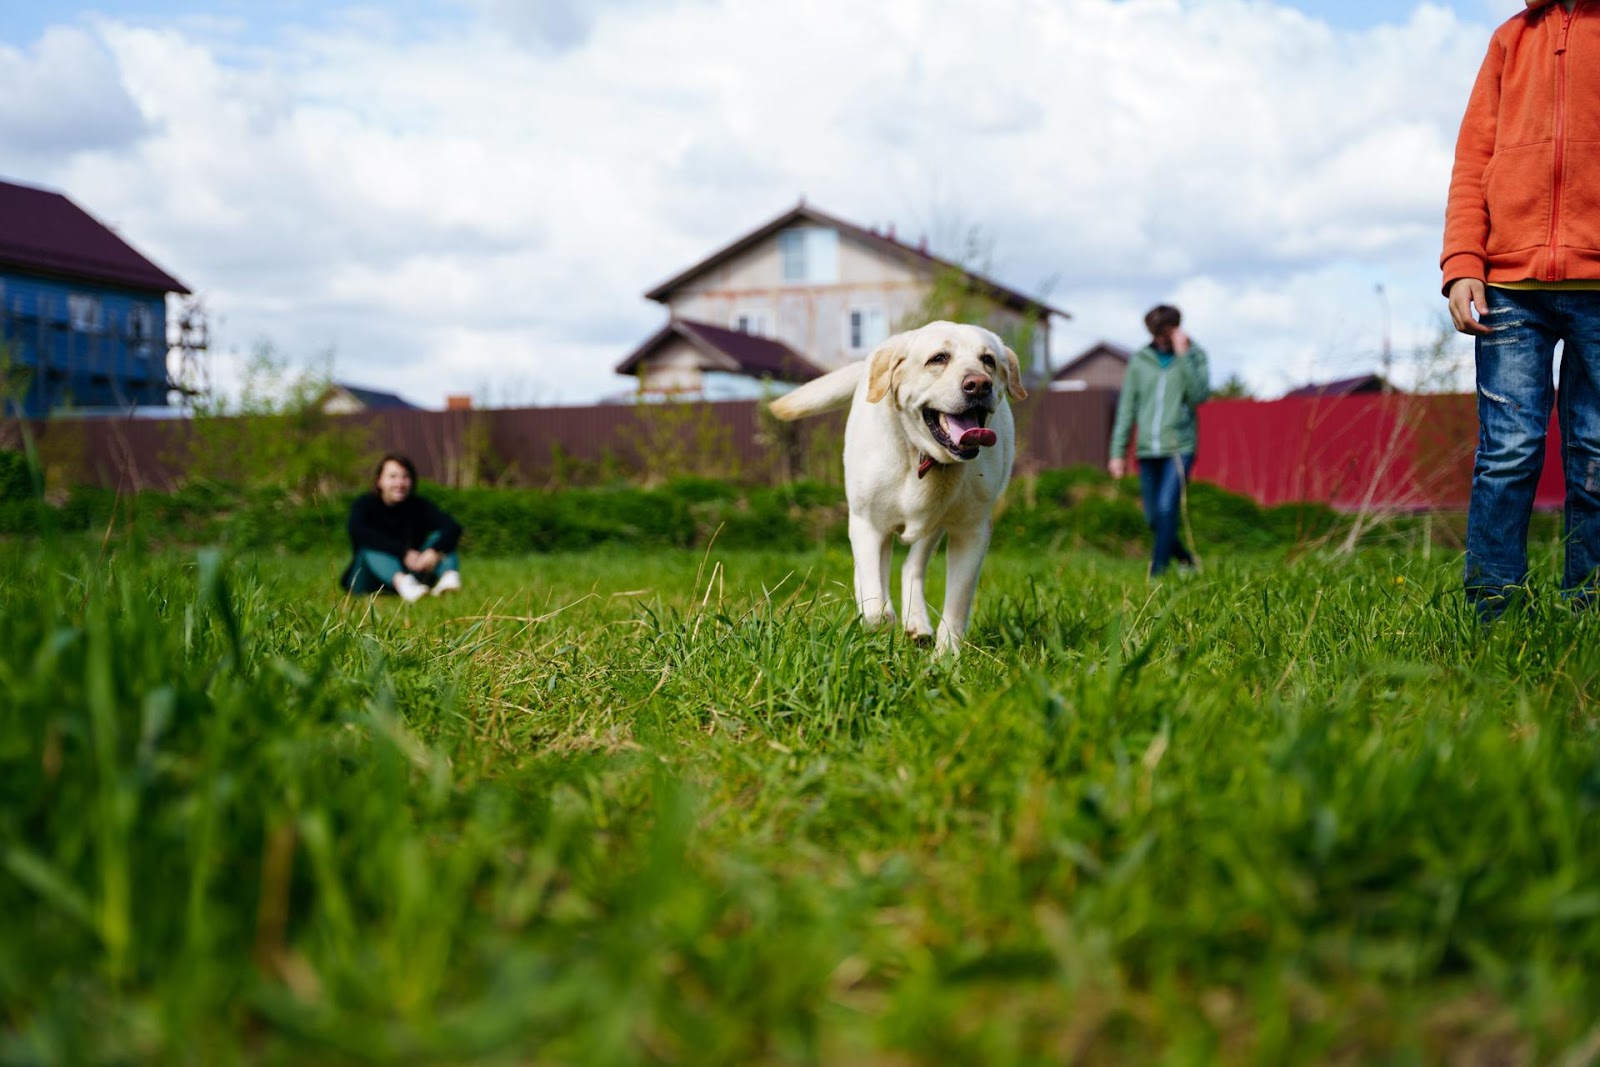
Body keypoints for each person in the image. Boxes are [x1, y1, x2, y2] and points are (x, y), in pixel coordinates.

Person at [1442, 0, 1600, 618]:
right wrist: (1462, 264)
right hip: (1508, 287)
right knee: (1508, 451)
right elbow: (1471, 161)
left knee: (1595, 451)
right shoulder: (1510, 39)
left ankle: (1589, 610)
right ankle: (1492, 611)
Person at [1107, 304, 1212, 578]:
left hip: (1180, 447)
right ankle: (1187, 560)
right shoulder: (1140, 360)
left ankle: (1157, 573)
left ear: (1175, 328)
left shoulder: (1195, 356)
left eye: (1164, 331)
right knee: (1153, 517)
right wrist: (1117, 452)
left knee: (1168, 508)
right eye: (1154, 332)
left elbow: (1199, 395)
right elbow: (1127, 408)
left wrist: (1183, 356)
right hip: (1147, 449)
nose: (1159, 338)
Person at [340, 453, 464, 602]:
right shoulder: (364, 504)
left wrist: (432, 551)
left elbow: (453, 527)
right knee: (371, 546)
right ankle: (403, 582)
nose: (400, 483)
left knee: (441, 537)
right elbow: (358, 531)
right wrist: (403, 552)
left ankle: (448, 576)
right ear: (379, 481)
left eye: (405, 477)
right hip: (367, 578)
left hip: (412, 570)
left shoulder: (419, 506)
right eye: (393, 476)